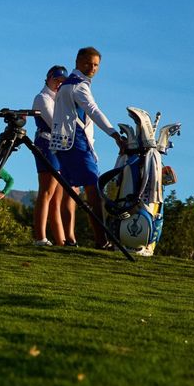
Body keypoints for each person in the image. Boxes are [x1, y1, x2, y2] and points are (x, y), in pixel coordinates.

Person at [50, 46, 126, 248]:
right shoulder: (78, 85)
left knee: (70, 193)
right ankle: (102, 241)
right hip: (76, 143)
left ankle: (69, 240)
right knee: (94, 192)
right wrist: (114, 134)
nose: (92, 68)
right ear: (77, 62)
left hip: (64, 144)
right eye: (88, 63)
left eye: (96, 65)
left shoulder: (68, 85)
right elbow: (93, 110)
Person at [31, 64, 70, 246]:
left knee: (57, 197)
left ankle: (61, 240)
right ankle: (40, 237)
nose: (58, 84)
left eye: (62, 81)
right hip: (46, 143)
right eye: (56, 80)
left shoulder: (60, 99)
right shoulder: (42, 97)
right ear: (48, 79)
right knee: (46, 191)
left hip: (60, 146)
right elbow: (55, 122)